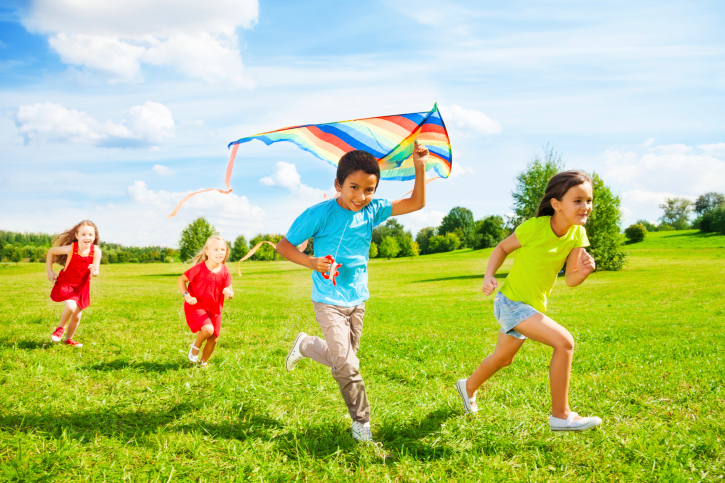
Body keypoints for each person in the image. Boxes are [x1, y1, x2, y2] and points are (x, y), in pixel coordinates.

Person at [277, 144, 429, 442]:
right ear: (338, 184)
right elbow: (284, 246)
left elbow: (416, 203)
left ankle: (306, 345)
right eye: (354, 188)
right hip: (327, 300)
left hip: (357, 300)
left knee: (344, 360)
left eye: (369, 189)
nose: (361, 197)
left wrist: (419, 166)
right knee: (347, 364)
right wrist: (310, 261)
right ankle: (362, 424)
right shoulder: (318, 214)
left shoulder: (372, 209)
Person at [456, 170, 602, 431]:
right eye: (577, 200)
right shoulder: (534, 227)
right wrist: (489, 276)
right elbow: (502, 248)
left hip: (530, 307)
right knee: (565, 343)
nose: (586, 207)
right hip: (511, 303)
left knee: (503, 359)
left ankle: (467, 386)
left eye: (589, 200)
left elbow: (570, 279)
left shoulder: (578, 234)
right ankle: (561, 415)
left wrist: (584, 272)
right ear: (556, 204)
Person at [177, 235, 234, 367]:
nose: (219, 253)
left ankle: (203, 363)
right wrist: (187, 295)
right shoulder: (199, 269)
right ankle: (195, 346)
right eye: (215, 249)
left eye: (222, 250)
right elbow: (181, 280)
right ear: (206, 252)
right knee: (208, 330)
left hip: (215, 310)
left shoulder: (225, 271)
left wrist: (229, 293)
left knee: (214, 339)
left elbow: (230, 292)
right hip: (196, 306)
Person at [46, 220, 102, 348]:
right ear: (77, 236)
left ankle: (68, 339)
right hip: (67, 283)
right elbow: (51, 251)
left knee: (77, 316)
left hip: (82, 286)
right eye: (83, 234)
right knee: (70, 307)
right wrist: (49, 271)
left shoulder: (96, 251)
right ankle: (60, 329)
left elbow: (96, 271)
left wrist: (95, 271)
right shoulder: (71, 248)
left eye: (90, 235)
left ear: (94, 236)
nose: (87, 237)